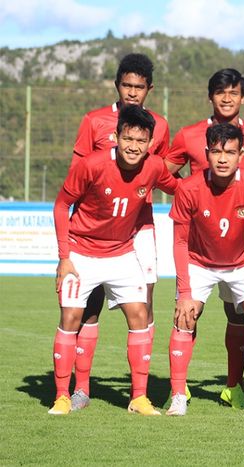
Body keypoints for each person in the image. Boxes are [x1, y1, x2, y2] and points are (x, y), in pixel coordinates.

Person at [50, 105, 178, 416]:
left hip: (122, 253)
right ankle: (62, 396)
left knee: (139, 316)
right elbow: (61, 205)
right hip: (82, 253)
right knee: (71, 318)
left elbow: (182, 190)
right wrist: (64, 257)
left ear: (150, 144)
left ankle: (138, 398)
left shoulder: (155, 167)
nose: (134, 146)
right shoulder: (91, 165)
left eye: (141, 140)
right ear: (116, 137)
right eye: (128, 138)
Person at [164, 68, 244, 410]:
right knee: (185, 315)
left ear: (243, 153)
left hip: (242, 260)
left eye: (229, 152)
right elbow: (180, 241)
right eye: (216, 152)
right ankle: (179, 395)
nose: (222, 158)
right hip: (201, 260)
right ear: (207, 153)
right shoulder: (190, 180)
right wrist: (184, 292)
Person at [67, 53, 170, 411]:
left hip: (139, 227)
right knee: (88, 306)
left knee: (144, 306)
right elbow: (78, 175)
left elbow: (162, 172)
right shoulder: (94, 121)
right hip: (96, 231)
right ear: (117, 85)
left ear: (149, 89)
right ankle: (81, 388)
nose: (132, 92)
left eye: (139, 87)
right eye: (126, 85)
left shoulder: (159, 124)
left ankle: (138, 391)